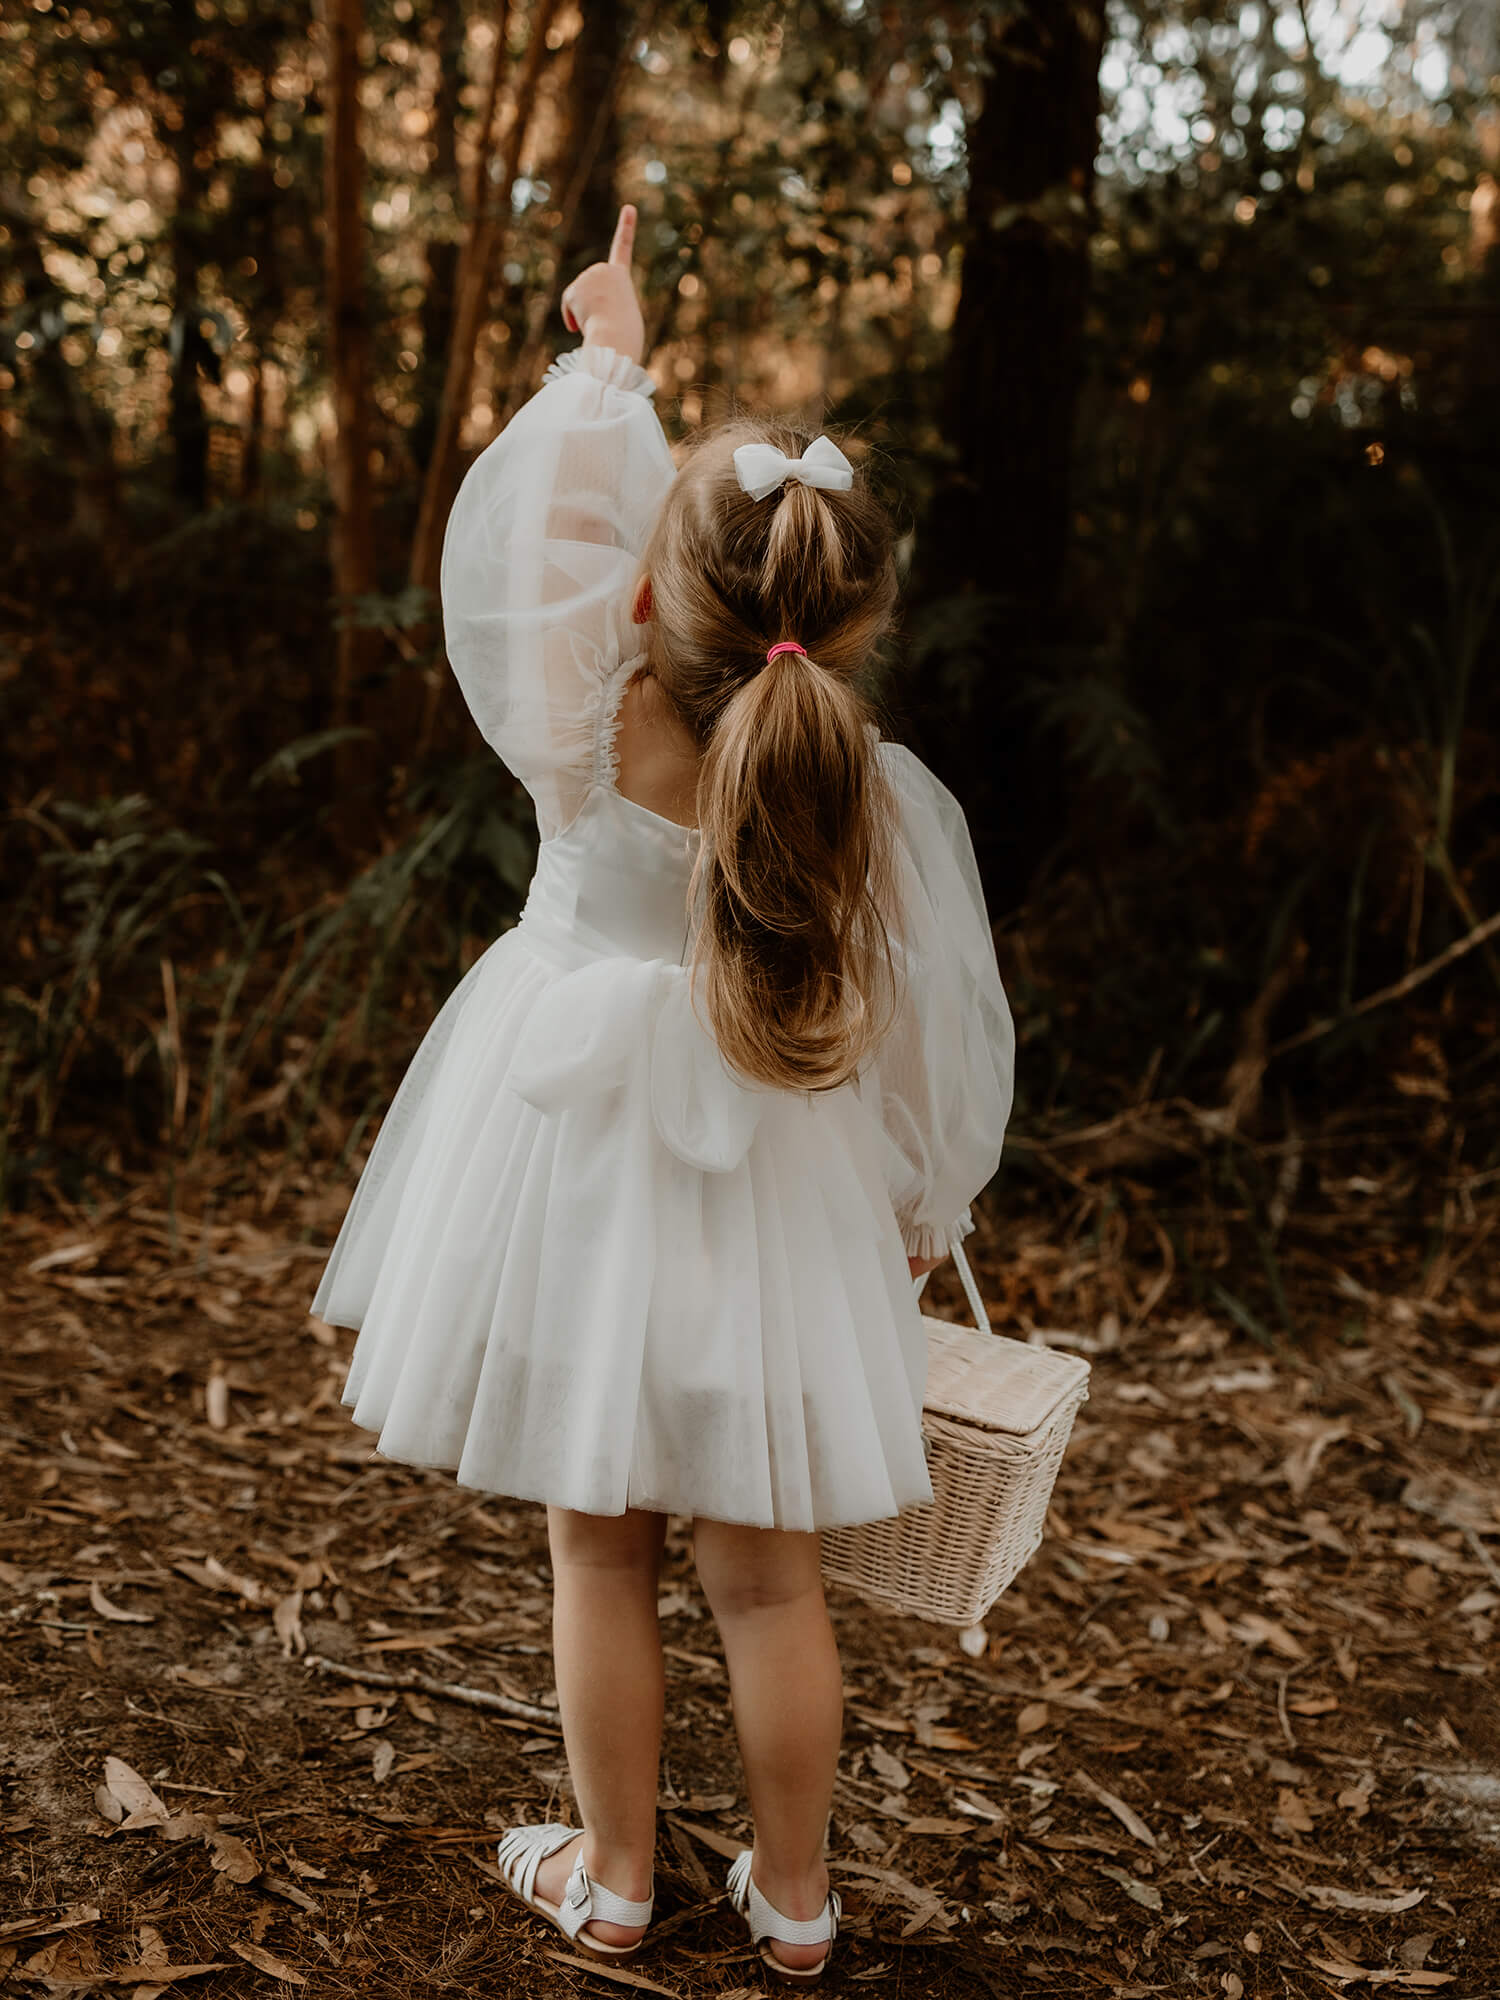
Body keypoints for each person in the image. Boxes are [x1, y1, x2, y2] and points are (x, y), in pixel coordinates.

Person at [311, 205, 1014, 1984]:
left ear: (644, 595)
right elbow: (933, 1028)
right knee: (768, 1582)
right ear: (844, 622)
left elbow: (526, 558)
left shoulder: (584, 712)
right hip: (778, 1183)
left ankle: (616, 1876)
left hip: (565, 1170)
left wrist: (607, 365)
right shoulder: (861, 778)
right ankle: (796, 1905)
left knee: (599, 1552)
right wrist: (919, 1215)